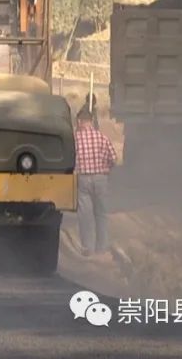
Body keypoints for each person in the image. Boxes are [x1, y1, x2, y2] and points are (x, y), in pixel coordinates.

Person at [74, 107, 117, 258]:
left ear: (79, 121)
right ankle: (102, 247)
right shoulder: (102, 137)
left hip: (83, 179)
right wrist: (106, 170)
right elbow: (113, 158)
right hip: (101, 179)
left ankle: (87, 247)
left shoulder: (76, 139)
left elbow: (71, 161)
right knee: (101, 213)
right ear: (91, 121)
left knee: (85, 215)